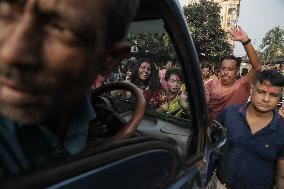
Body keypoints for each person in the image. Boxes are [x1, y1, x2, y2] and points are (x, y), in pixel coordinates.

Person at [0, 0, 140, 177]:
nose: (10, 54)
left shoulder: (78, 114)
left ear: (108, 60)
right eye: (4, 12)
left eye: (59, 28)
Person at [215, 70, 284, 189]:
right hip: (220, 185)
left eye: (273, 95)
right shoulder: (230, 114)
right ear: (251, 89)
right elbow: (212, 147)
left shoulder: (282, 129)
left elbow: (281, 176)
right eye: (261, 92)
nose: (266, 99)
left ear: (280, 96)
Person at [205, 26, 262, 120]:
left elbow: (257, 67)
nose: (226, 72)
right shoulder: (211, 84)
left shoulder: (242, 85)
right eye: (223, 68)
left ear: (237, 71)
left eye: (230, 69)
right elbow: (203, 105)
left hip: (234, 132)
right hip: (211, 130)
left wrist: (245, 41)